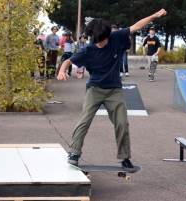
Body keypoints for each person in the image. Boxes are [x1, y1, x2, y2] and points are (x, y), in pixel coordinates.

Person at [57, 9, 167, 172]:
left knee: (122, 123)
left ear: (109, 34)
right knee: (84, 120)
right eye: (96, 41)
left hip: (114, 89)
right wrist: (61, 70)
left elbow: (137, 26)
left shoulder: (117, 36)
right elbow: (68, 61)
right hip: (95, 89)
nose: (100, 44)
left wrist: (155, 16)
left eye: (102, 40)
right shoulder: (88, 50)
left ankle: (125, 157)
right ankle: (74, 153)